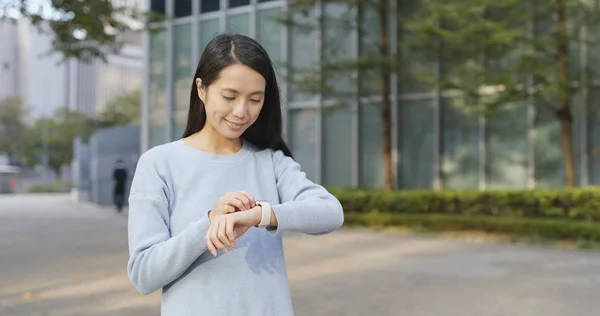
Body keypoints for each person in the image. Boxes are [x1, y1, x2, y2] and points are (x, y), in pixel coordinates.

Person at [126, 33, 344, 316]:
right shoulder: (159, 164)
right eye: (229, 96)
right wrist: (209, 224)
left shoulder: (270, 161)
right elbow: (144, 275)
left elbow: (330, 212)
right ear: (201, 89)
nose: (242, 111)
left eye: (255, 99)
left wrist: (259, 215)